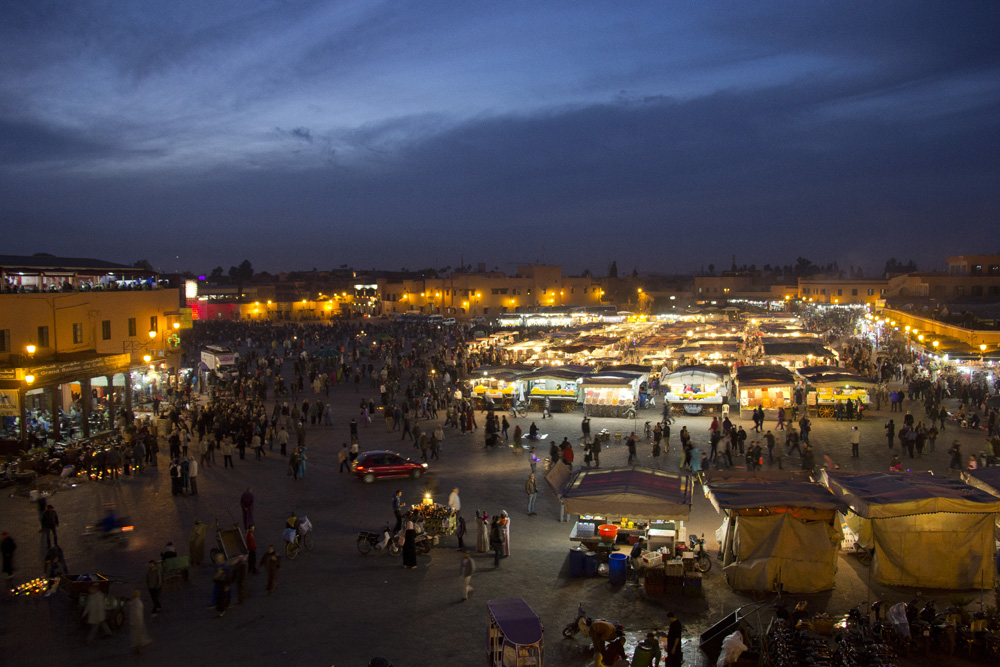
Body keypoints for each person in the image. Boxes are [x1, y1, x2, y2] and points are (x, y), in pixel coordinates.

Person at [126, 590, 152, 654]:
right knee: (138, 635)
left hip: (135, 622)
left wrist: (132, 622)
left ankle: (138, 648)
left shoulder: (133, 604)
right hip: (139, 622)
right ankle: (138, 648)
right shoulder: (139, 603)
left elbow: (134, 613)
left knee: (136, 636)